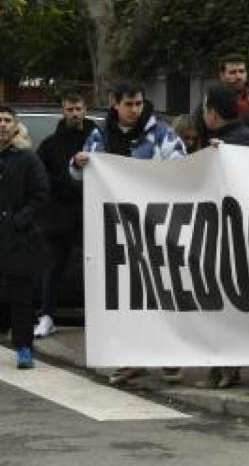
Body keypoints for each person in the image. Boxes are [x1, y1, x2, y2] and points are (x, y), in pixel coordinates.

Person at [70, 82, 187, 385]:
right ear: (115, 104)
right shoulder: (101, 134)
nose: (135, 110)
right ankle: (132, 358)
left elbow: (181, 166)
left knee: (161, 293)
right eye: (128, 104)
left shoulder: (161, 133)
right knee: (126, 296)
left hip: (155, 227)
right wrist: (78, 163)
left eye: (138, 103)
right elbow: (80, 171)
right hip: (116, 228)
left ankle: (169, 357)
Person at [194, 85, 249, 389]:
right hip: (223, 232)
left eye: (204, 108)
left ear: (213, 112)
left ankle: (227, 367)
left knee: (227, 304)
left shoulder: (240, 141)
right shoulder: (226, 139)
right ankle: (218, 367)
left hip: (235, 235)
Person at [33, 92, 97, 339]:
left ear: (85, 109)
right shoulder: (50, 144)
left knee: (96, 267)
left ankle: (100, 318)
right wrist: (64, 180)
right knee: (54, 267)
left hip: (91, 213)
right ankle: (47, 316)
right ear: (63, 110)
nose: (74, 114)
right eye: (70, 109)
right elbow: (40, 178)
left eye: (78, 109)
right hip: (58, 215)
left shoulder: (98, 139)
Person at [0, 105, 49, 369]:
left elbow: (41, 194)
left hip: (19, 240)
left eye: (7, 120)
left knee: (21, 297)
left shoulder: (27, 159)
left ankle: (24, 348)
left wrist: (20, 220)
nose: (2, 124)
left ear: (16, 126)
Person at [195, 54, 249, 144]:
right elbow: (198, 139)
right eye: (232, 72)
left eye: (242, 71)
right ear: (222, 75)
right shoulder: (209, 105)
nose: (238, 76)